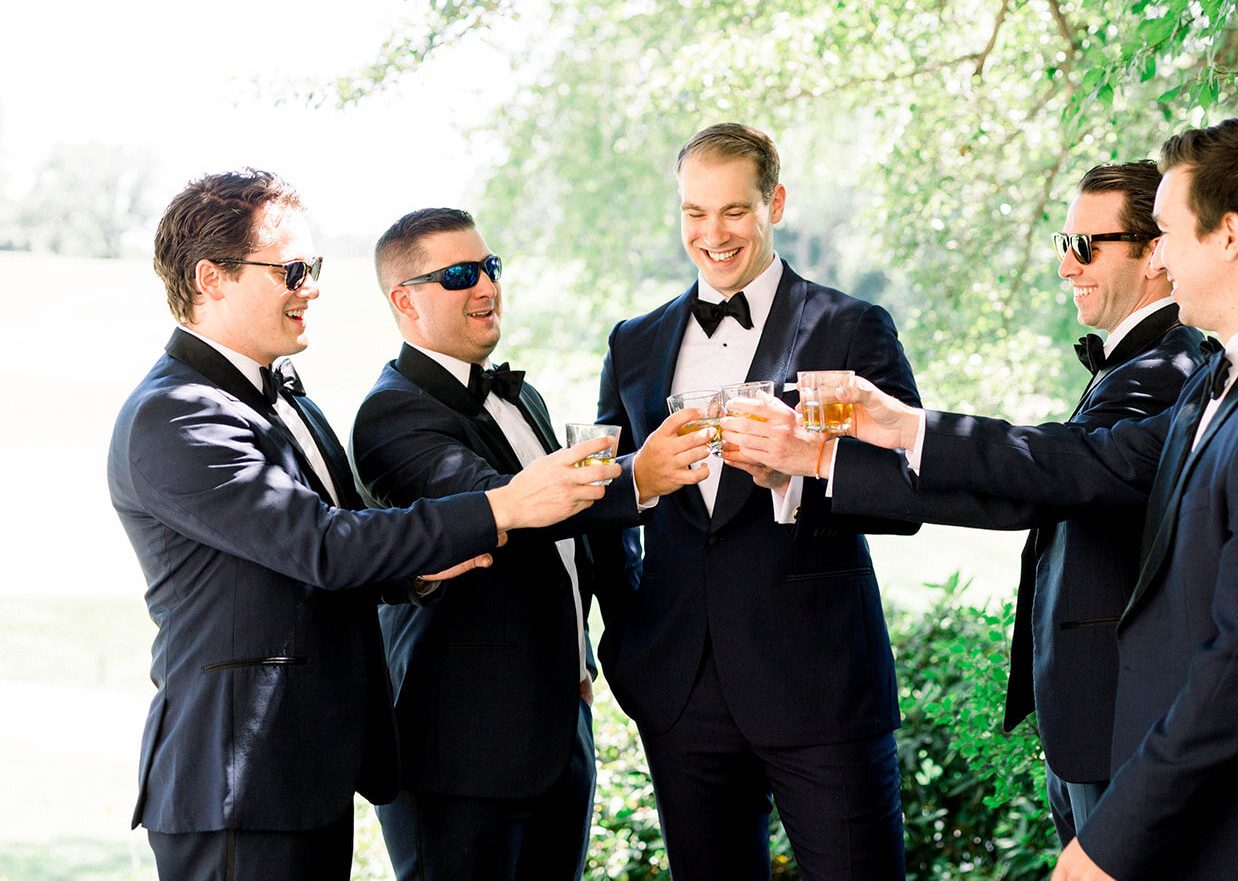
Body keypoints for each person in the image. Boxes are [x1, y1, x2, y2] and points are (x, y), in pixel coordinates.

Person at [768, 118, 1238, 880]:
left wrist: (1111, 839)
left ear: (1229, 235)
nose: (1160, 258)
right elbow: (1086, 460)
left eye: (1165, 234)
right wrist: (901, 425)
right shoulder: (1229, 378)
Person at [107, 170, 618, 881]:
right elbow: (322, 546)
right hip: (236, 778)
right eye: (290, 269)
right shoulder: (178, 414)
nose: (311, 286)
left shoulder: (289, 401)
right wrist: (504, 505)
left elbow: (346, 536)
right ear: (210, 278)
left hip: (305, 772)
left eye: (312, 268)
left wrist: (414, 569)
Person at [723, 160, 1208, 843]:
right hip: (1089, 726)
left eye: (1083, 247)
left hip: (1118, 721)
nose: (1066, 268)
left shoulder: (1166, 368)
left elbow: (1039, 479)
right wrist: (817, 460)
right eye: (1062, 247)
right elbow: (1024, 496)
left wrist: (838, 448)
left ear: (1154, 252)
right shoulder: (1139, 363)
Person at [594, 122, 921, 879]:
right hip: (681, 689)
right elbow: (604, 498)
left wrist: (799, 473)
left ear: (774, 202)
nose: (713, 234)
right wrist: (631, 636)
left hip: (822, 686)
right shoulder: (633, 342)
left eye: (734, 211)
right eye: (693, 213)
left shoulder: (850, 327)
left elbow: (905, 490)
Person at [348, 207, 706, 881]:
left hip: (559, 731)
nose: (486, 286)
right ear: (405, 301)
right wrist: (641, 475)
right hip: (459, 749)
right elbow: (508, 509)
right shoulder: (392, 414)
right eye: (458, 275)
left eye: (490, 267)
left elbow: (578, 550)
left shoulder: (525, 397)